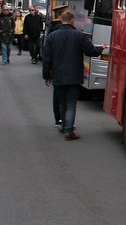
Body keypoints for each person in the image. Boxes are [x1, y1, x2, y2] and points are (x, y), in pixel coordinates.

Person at [42, 9, 104, 140]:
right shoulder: (79, 35)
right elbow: (91, 51)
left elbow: (47, 58)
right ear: (72, 20)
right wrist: (101, 48)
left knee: (62, 103)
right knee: (71, 103)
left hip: (58, 75)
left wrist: (46, 75)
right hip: (74, 75)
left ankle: (63, 125)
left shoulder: (52, 36)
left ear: (61, 20)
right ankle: (69, 131)